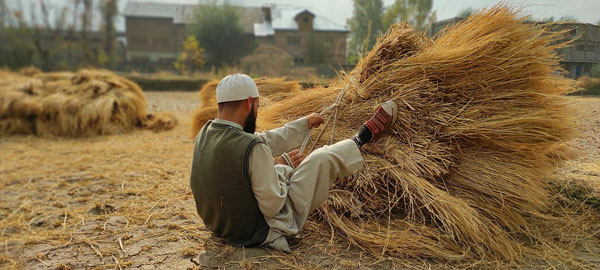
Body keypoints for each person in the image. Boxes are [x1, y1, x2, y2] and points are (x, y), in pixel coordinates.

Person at [190, 74, 398, 252]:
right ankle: (362, 138)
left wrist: (303, 125)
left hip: (219, 225)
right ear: (248, 103)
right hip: (255, 231)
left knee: (269, 155)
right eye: (257, 107)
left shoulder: (206, 133)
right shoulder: (252, 148)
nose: (256, 111)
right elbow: (274, 206)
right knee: (320, 158)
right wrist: (282, 166)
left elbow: (260, 141)